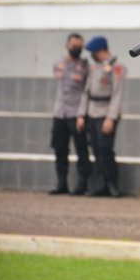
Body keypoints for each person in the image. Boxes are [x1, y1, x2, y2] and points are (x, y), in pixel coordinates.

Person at [77, 36, 127, 197]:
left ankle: (113, 184)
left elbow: (117, 94)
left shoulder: (117, 67)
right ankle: (101, 184)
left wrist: (111, 118)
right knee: (96, 150)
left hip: (106, 114)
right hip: (92, 112)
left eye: (94, 52)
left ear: (101, 51)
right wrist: (81, 114)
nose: (92, 55)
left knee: (106, 149)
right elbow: (86, 92)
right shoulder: (94, 67)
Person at [49, 33, 92, 195]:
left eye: (79, 46)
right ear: (67, 45)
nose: (76, 48)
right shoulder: (58, 64)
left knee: (81, 149)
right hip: (60, 113)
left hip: (77, 113)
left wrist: (82, 115)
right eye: (74, 45)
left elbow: (86, 91)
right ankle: (61, 184)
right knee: (60, 149)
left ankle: (82, 184)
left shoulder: (86, 66)